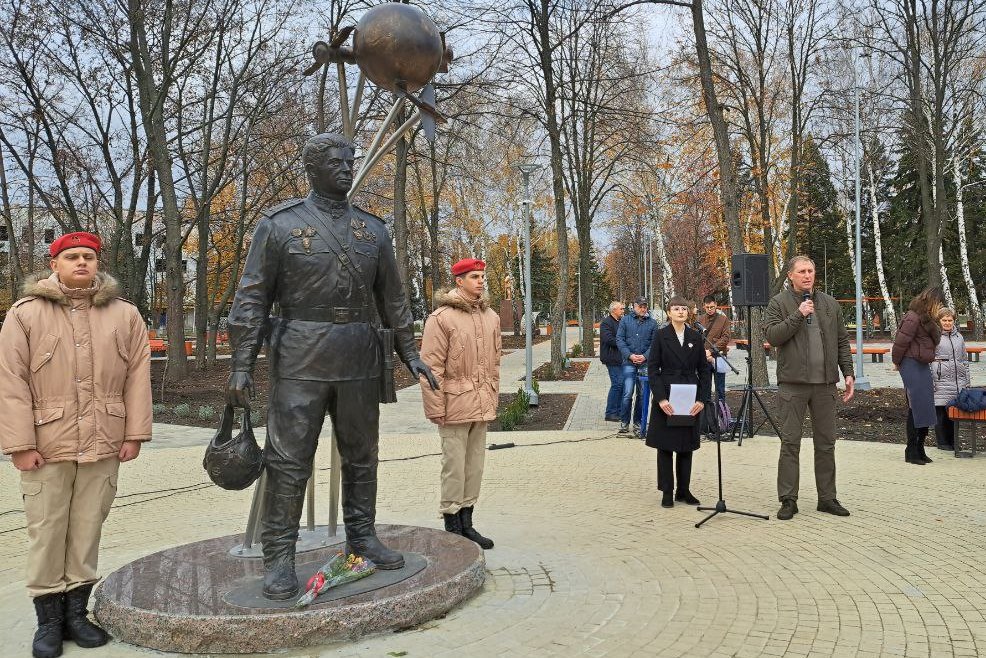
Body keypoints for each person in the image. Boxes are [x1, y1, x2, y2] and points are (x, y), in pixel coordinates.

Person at [226, 133, 439, 600]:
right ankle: (278, 555)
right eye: (335, 162)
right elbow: (252, 297)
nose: (345, 168)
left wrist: (411, 353)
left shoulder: (373, 230)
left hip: (359, 353)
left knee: (362, 454)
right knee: (288, 459)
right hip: (300, 352)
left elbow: (394, 299)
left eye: (350, 162)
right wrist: (241, 365)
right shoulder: (279, 225)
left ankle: (361, 537)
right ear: (312, 168)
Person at [0, 232, 152, 658]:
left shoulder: (125, 315)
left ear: (98, 262)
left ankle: (76, 615)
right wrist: (19, 444)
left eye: (88, 256)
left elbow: (138, 376)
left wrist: (134, 434)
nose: (81, 262)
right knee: (48, 530)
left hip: (105, 439)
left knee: (87, 528)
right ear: (55, 264)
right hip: (46, 443)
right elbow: (10, 382)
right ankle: (48, 621)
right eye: (71, 256)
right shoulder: (26, 313)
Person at [763, 255, 855, 521]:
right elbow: (772, 336)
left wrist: (847, 373)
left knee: (826, 444)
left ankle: (827, 498)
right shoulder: (778, 303)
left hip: (825, 386)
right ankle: (788, 499)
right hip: (793, 385)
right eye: (802, 271)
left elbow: (841, 341)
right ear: (790, 275)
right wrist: (798, 315)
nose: (807, 275)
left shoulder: (829, 304)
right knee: (790, 443)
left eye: (811, 271)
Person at [420, 258, 501, 549]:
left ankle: (468, 523)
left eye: (482, 276)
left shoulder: (491, 316)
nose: (480, 281)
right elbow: (430, 368)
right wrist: (434, 407)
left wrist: (492, 397)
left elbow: (494, 364)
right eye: (474, 277)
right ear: (459, 281)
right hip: (453, 405)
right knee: (454, 467)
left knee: (474, 466)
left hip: (481, 402)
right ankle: (452, 525)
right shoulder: (441, 318)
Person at [645, 297, 710, 508]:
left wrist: (702, 398)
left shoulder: (696, 336)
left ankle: (684, 490)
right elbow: (653, 369)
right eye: (676, 308)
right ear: (669, 312)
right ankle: (667, 491)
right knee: (665, 446)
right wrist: (661, 398)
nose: (681, 312)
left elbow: (704, 369)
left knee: (685, 445)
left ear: (689, 312)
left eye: (684, 308)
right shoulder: (661, 335)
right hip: (667, 395)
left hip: (690, 395)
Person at [892, 287, 945, 465]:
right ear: (932, 301)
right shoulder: (913, 317)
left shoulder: (926, 318)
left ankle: (920, 448)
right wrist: (896, 362)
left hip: (921, 363)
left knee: (926, 406)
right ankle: (911, 450)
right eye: (939, 303)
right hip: (910, 362)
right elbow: (901, 341)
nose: (940, 307)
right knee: (917, 405)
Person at [616, 297, 658, 435]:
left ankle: (638, 422)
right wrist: (629, 355)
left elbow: (655, 343)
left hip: (645, 364)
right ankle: (624, 422)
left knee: (642, 395)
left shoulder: (652, 323)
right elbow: (620, 339)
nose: (643, 308)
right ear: (634, 306)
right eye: (640, 306)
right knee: (628, 393)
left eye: (645, 306)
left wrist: (645, 356)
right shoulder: (625, 320)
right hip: (629, 362)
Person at [931, 308, 969, 452]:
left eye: (950, 320)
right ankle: (942, 443)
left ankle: (953, 441)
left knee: (953, 413)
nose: (947, 323)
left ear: (954, 321)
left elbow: (964, 360)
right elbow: (929, 360)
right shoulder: (934, 336)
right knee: (940, 412)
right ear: (939, 321)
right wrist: (931, 380)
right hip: (940, 379)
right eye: (944, 320)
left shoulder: (959, 337)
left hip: (957, 381)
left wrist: (967, 382)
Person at [700, 295, 731, 404]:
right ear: (704, 306)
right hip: (704, 358)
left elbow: (726, 338)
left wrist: (711, 351)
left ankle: (721, 415)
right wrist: (703, 353)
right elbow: (696, 338)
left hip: (719, 357)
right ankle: (707, 415)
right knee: (705, 388)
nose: (710, 309)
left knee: (720, 388)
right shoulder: (699, 319)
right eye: (707, 307)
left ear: (716, 305)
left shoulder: (723, 319)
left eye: (712, 307)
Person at [599, 301, 626, 422]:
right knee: (617, 384)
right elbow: (608, 339)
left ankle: (619, 412)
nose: (623, 311)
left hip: (620, 358)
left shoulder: (620, 321)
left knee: (623, 385)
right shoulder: (606, 322)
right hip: (611, 358)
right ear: (613, 310)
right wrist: (623, 343)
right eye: (621, 309)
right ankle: (610, 412)